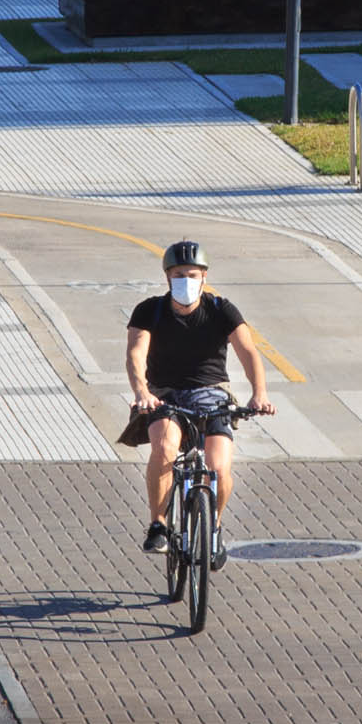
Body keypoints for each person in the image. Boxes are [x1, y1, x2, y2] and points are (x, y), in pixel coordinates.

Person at [127, 240, 275, 560]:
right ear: (167, 277)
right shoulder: (148, 310)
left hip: (211, 394)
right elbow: (136, 353)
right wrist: (142, 392)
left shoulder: (222, 310)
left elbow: (248, 351)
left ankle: (214, 527)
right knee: (164, 448)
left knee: (218, 467)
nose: (186, 281)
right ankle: (159, 524)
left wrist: (258, 394)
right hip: (164, 394)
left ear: (205, 276)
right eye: (178, 274)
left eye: (192, 274)